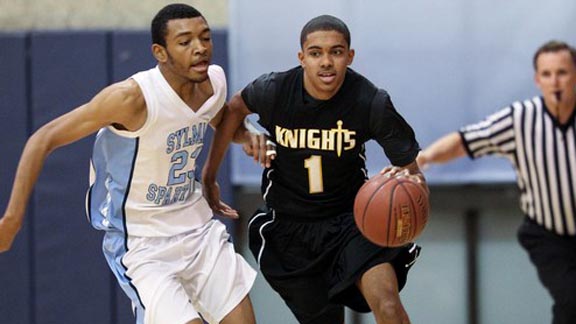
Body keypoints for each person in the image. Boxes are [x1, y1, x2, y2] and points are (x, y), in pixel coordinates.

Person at [0, 4, 257, 324]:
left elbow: (218, 118)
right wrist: (12, 218)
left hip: (199, 230)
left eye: (205, 38)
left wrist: (245, 136)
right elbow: (44, 137)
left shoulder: (213, 81)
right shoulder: (131, 99)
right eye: (186, 41)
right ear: (159, 52)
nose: (200, 48)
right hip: (143, 244)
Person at [202, 15, 427, 324]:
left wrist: (404, 189)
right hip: (290, 229)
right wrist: (211, 173)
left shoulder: (370, 102)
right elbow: (234, 109)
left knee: (388, 306)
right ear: (301, 57)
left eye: (336, 52)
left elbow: (412, 172)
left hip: (353, 222)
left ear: (350, 56)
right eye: (316, 52)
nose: (326, 62)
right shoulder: (275, 90)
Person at [417, 40, 576, 324]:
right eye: (548, 74)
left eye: (562, 72)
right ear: (537, 79)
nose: (556, 82)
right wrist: (423, 159)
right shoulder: (520, 119)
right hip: (548, 234)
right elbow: (465, 141)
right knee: (571, 298)